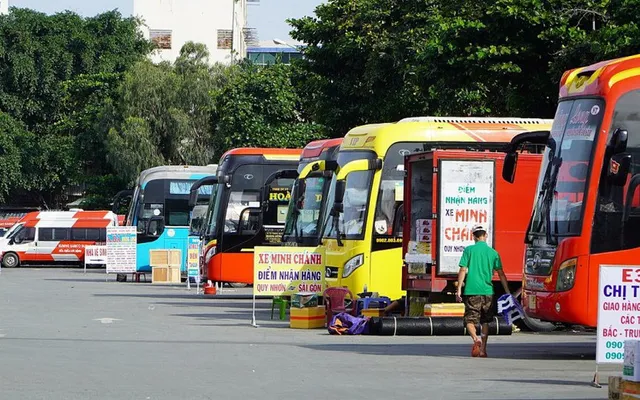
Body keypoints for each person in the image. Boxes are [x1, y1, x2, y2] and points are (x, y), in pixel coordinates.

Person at [455, 224, 510, 358]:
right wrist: (507, 291)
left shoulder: (469, 250)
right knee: (485, 321)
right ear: (485, 235)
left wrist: (458, 290)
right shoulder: (493, 253)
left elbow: (463, 269)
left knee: (469, 320)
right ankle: (483, 350)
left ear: (473, 236)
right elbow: (501, 274)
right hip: (488, 291)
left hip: (471, 290)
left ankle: (475, 338)